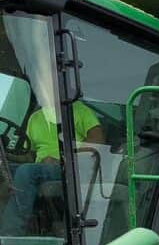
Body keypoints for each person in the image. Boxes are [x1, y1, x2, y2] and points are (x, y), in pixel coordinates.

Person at [1, 101, 105, 236]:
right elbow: (31, 156)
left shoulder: (78, 110)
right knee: (6, 170)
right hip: (39, 168)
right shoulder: (35, 118)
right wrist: (6, 155)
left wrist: (64, 158)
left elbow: (98, 141)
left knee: (26, 171)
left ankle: (9, 235)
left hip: (69, 168)